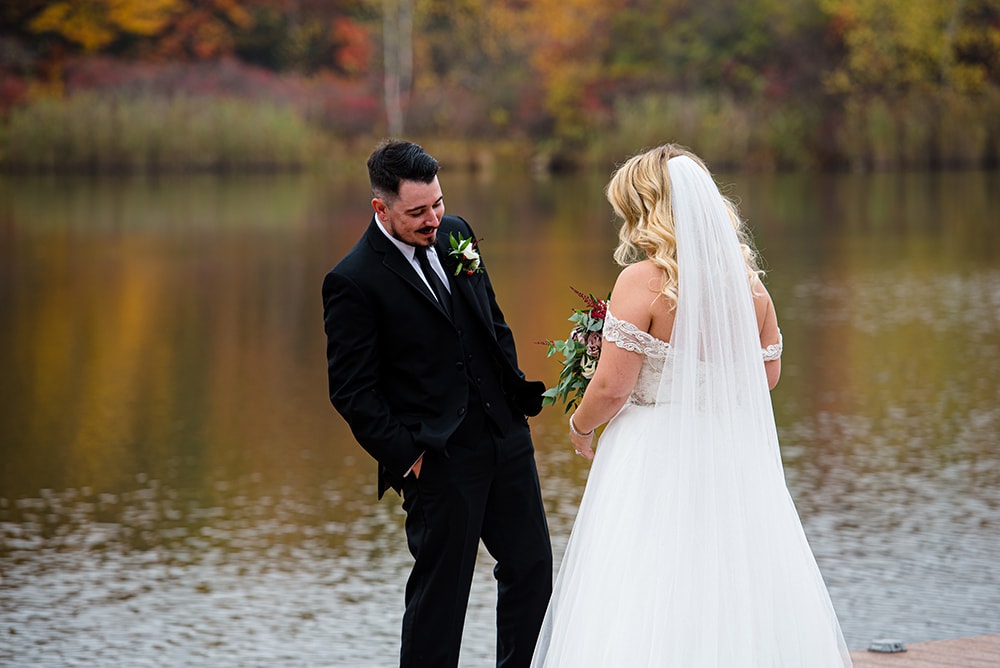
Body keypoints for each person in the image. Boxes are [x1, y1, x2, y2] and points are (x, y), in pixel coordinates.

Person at [530, 144, 852, 667]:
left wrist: (579, 425)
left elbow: (612, 388)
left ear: (648, 210)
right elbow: (765, 378)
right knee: (729, 576)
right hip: (728, 455)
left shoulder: (642, 282)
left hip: (652, 455)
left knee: (646, 580)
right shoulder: (754, 291)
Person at [322, 139, 553, 668]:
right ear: (381, 208)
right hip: (439, 457)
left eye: (438, 203)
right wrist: (411, 458)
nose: (433, 219)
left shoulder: (457, 234)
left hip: (505, 435)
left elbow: (491, 321)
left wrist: (513, 398)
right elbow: (352, 392)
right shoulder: (352, 280)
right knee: (441, 595)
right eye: (418, 211)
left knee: (532, 566)